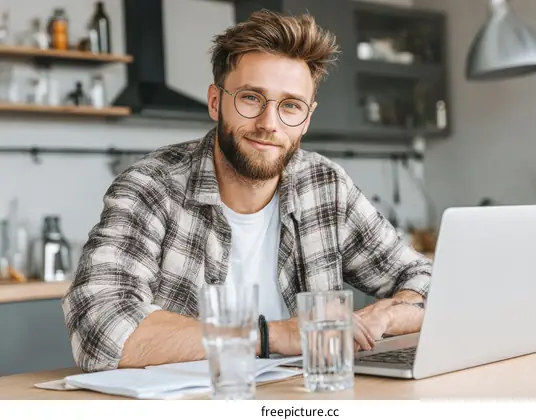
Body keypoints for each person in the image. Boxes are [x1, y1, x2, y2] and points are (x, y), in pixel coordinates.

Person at [62, 9, 432, 373]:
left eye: (290, 106)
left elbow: (427, 281)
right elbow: (98, 327)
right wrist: (267, 336)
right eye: (251, 98)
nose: (269, 124)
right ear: (215, 101)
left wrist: (384, 316)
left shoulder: (325, 186)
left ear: (306, 119)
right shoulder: (151, 187)